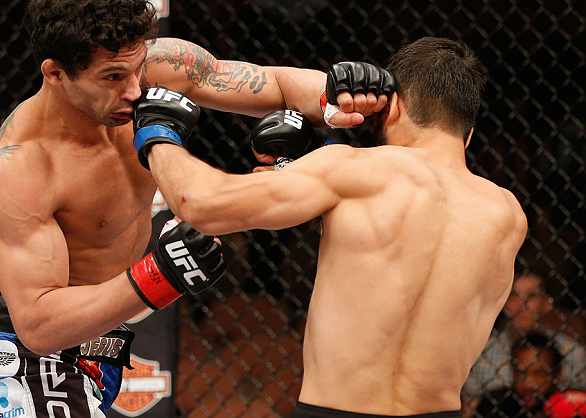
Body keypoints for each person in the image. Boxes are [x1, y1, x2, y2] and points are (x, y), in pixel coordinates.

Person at [0, 0, 383, 418]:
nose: (133, 90)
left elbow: (276, 83)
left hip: (103, 352)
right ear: (55, 72)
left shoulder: (154, 67)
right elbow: (39, 324)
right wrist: (160, 274)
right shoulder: (20, 164)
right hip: (26, 362)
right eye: (111, 77)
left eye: (137, 69)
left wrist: (337, 96)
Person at [136, 36, 529, 417]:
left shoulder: (351, 170)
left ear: (392, 109)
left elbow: (198, 203)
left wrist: (157, 129)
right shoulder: (508, 216)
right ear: (468, 132)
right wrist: (313, 160)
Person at [463, 272, 586, 403]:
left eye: (531, 295)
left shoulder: (572, 352)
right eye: (514, 295)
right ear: (503, 302)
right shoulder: (482, 351)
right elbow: (468, 405)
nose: (521, 304)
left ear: (547, 303)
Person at [473, 332, 586, 418]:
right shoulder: (495, 402)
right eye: (520, 373)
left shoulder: (572, 403)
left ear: (557, 375)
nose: (527, 384)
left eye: (539, 374)